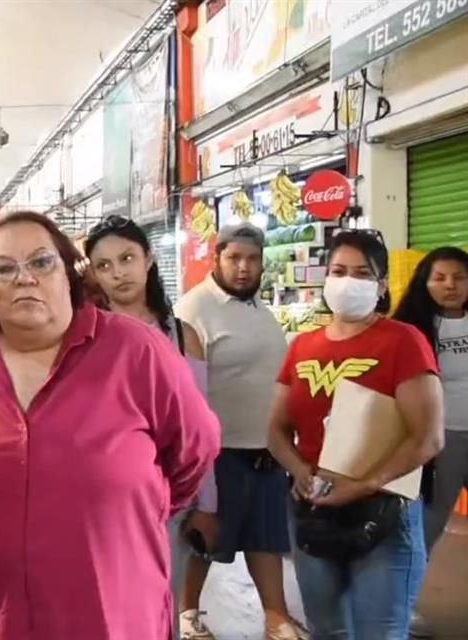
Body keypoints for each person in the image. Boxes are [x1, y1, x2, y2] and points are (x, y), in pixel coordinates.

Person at [0, 210, 220, 639]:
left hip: (111, 611)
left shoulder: (137, 351)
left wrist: (134, 510)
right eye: (3, 269)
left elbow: (195, 450)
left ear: (69, 273)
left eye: (41, 262)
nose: (24, 278)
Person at [267, 229, 444, 639]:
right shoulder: (303, 346)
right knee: (327, 631)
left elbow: (428, 438)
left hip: (382, 515)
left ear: (381, 285)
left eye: (363, 273)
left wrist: (363, 485)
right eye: (339, 270)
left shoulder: (403, 341)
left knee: (378, 632)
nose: (348, 281)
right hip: (313, 510)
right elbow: (276, 429)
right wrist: (298, 470)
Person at [83, 214, 217, 640]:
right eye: (104, 265)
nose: (118, 272)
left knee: (160, 606)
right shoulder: (81, 337)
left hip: (171, 499)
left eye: (126, 258)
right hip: (100, 499)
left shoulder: (181, 336)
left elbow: (202, 424)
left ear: (149, 259)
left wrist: (208, 502)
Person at [174, 223, 305, 640]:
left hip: (266, 449)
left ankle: (275, 616)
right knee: (205, 538)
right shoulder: (194, 311)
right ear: (217, 258)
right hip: (221, 452)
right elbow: (187, 391)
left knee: (266, 539)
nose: (244, 268)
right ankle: (187, 612)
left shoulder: (258, 310)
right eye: (234, 258)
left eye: (252, 259)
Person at [394, 246, 468, 638]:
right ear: (425, 282)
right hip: (440, 440)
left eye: (459, 276)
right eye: (440, 277)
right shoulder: (412, 329)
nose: (451, 285)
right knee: (426, 528)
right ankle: (401, 610)